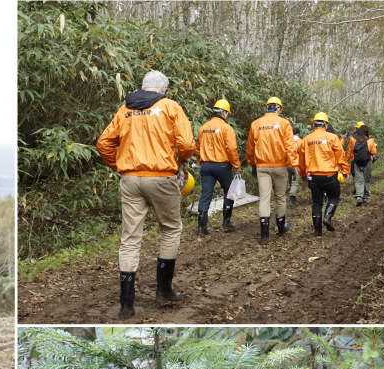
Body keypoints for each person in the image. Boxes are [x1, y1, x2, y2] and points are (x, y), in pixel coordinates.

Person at [97, 70, 195, 318]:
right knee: (171, 229)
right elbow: (186, 145)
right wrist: (182, 160)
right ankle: (163, 291)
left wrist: (119, 166)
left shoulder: (126, 109)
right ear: (163, 89)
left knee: (130, 238)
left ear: (143, 87)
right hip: (161, 177)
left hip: (130, 180)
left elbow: (103, 143)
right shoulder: (171, 107)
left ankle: (126, 306)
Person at [246, 97, 295, 243]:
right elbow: (290, 146)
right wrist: (293, 164)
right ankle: (281, 228)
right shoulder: (284, 123)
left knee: (265, 198)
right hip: (280, 166)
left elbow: (250, 148)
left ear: (267, 108)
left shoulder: (256, 124)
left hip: (262, 167)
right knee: (280, 197)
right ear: (278, 109)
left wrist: (252, 163)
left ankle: (264, 235)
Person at [295, 112, 350, 237]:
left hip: (313, 176)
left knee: (317, 202)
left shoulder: (306, 140)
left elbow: (302, 160)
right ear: (326, 125)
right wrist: (345, 170)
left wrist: (303, 174)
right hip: (330, 175)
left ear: (314, 124)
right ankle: (328, 216)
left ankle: (317, 230)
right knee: (334, 197)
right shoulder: (332, 138)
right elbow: (340, 156)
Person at [195, 99, 242, 235]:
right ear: (224, 112)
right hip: (222, 166)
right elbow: (231, 148)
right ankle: (226, 222)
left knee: (206, 195)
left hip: (206, 166)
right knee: (230, 191)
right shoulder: (226, 128)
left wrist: (200, 161)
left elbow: (197, 148)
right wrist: (236, 165)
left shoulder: (203, 128)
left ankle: (201, 227)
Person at [346, 122, 378, 206]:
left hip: (356, 162)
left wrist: (346, 161)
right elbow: (374, 152)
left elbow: (349, 151)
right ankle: (366, 197)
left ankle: (359, 196)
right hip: (367, 162)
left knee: (358, 179)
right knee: (366, 179)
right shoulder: (370, 141)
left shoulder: (353, 139)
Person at [288, 126, 302, 207]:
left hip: (287, 164)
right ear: (298, 134)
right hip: (296, 164)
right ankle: (292, 198)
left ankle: (291, 196)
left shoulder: (287, 141)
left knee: (290, 181)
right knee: (295, 182)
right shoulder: (300, 141)